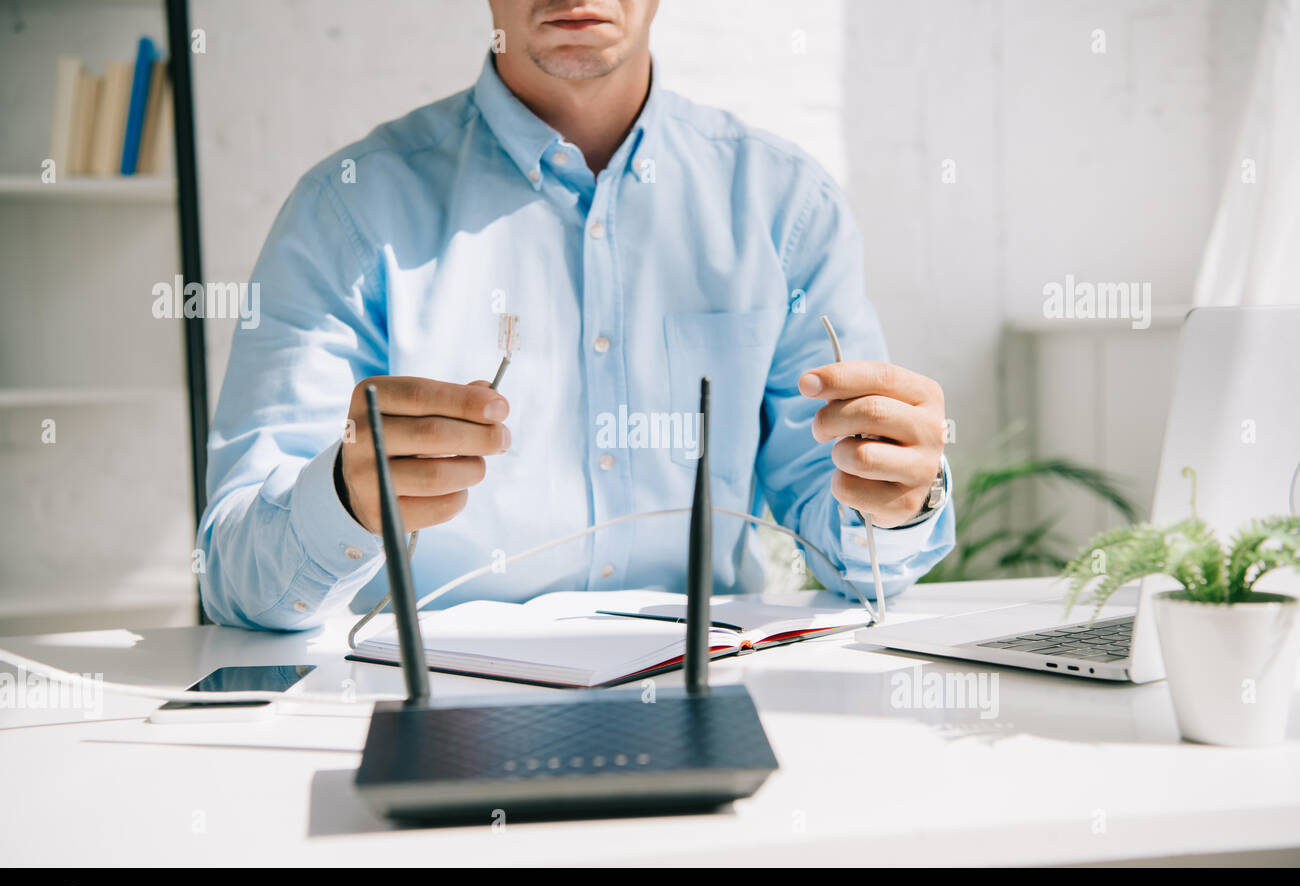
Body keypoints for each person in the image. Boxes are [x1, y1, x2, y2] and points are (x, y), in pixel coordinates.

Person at [197, 0, 954, 629]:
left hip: (712, 692)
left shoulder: (787, 209)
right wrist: (342, 500)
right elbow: (233, 579)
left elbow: (854, 559)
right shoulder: (348, 211)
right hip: (432, 710)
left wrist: (893, 499)